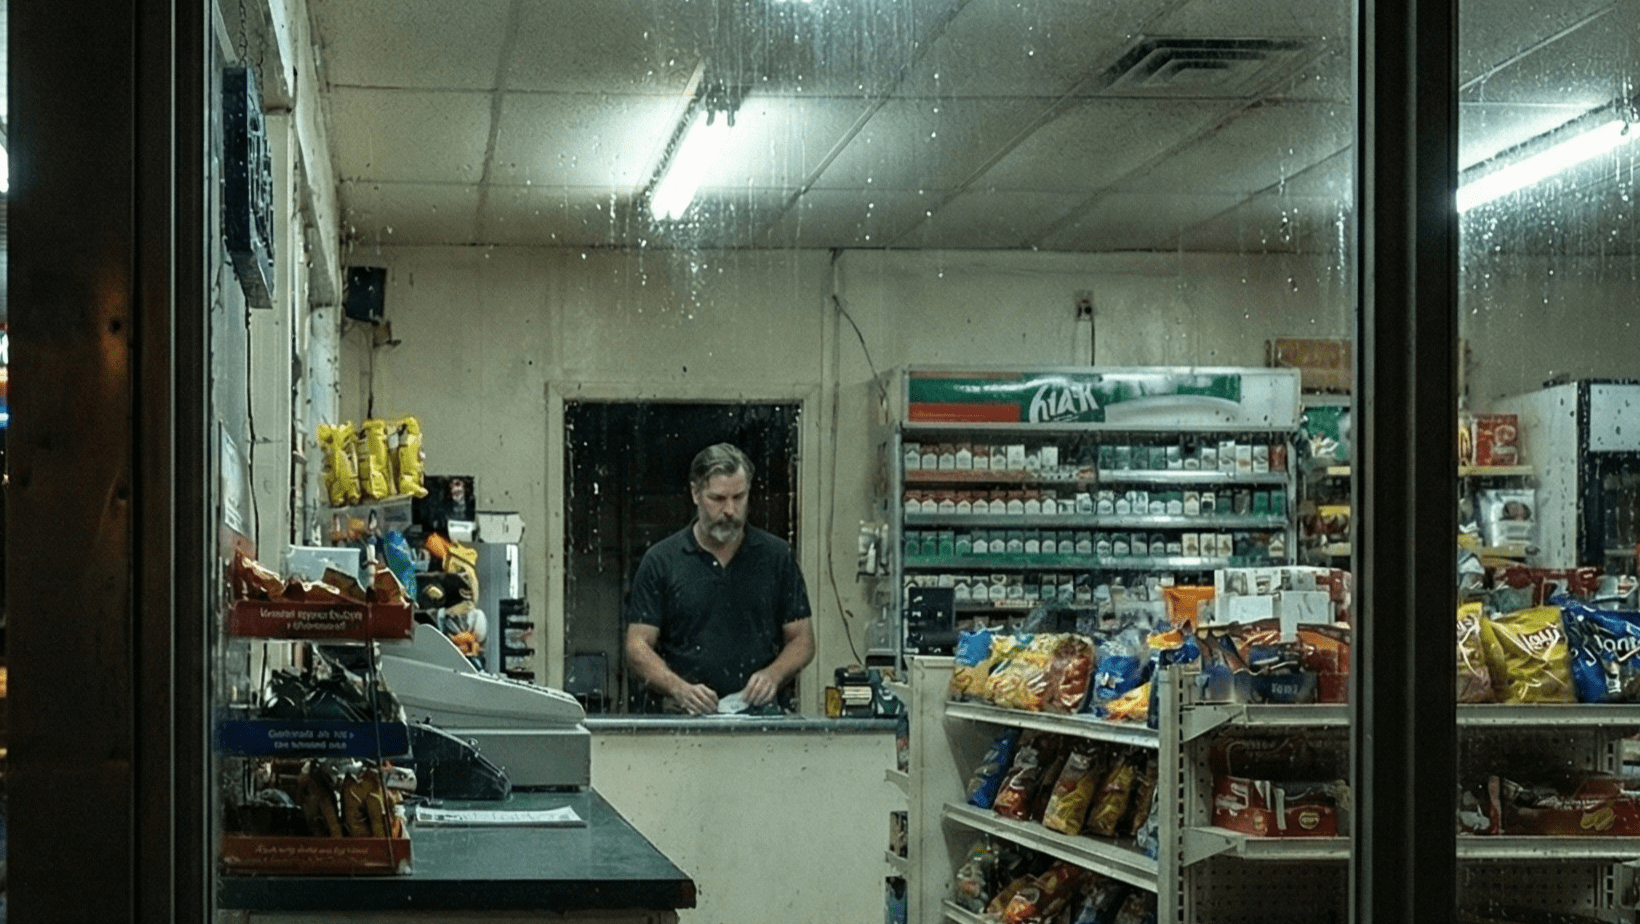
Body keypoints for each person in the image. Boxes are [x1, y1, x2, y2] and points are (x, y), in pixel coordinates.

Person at [625, 443, 815, 715]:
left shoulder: (776, 557)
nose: (730, 510)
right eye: (718, 499)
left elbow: (803, 640)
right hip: (683, 717)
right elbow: (637, 645)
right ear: (695, 493)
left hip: (758, 716)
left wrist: (773, 674)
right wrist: (678, 687)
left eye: (739, 497)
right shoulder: (662, 560)